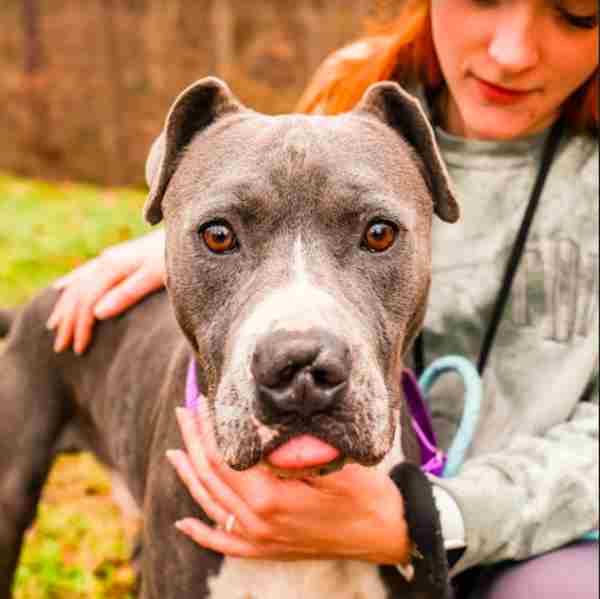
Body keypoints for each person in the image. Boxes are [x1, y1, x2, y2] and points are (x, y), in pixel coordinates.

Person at [46, 0, 599, 596]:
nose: (511, 52)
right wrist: (207, 240)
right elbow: (282, 209)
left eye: (576, 15)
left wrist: (424, 521)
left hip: (542, 538)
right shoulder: (347, 99)